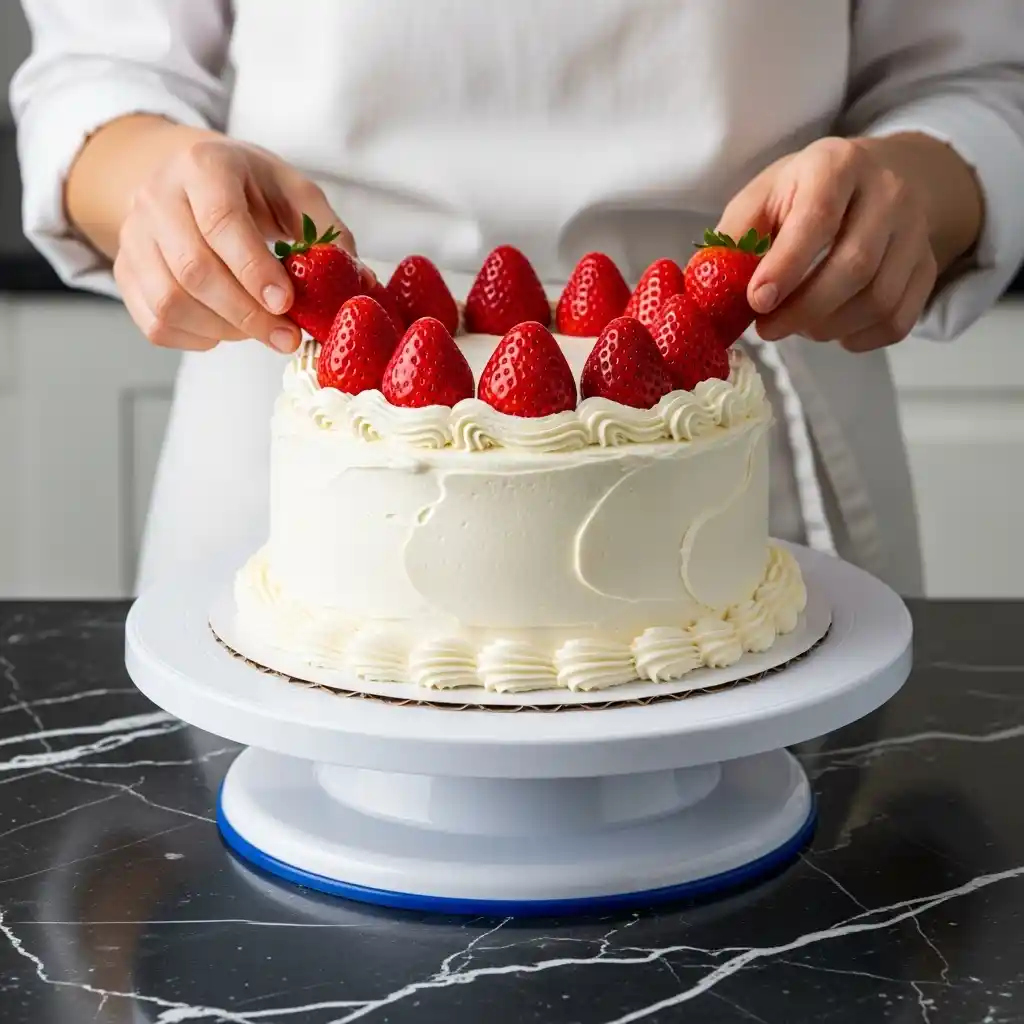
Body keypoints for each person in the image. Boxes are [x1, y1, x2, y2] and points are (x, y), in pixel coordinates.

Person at [11, 1, 1024, 597]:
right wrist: (163, 181)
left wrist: (907, 194)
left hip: (727, 378)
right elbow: (101, 75)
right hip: (313, 383)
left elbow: (981, 80)